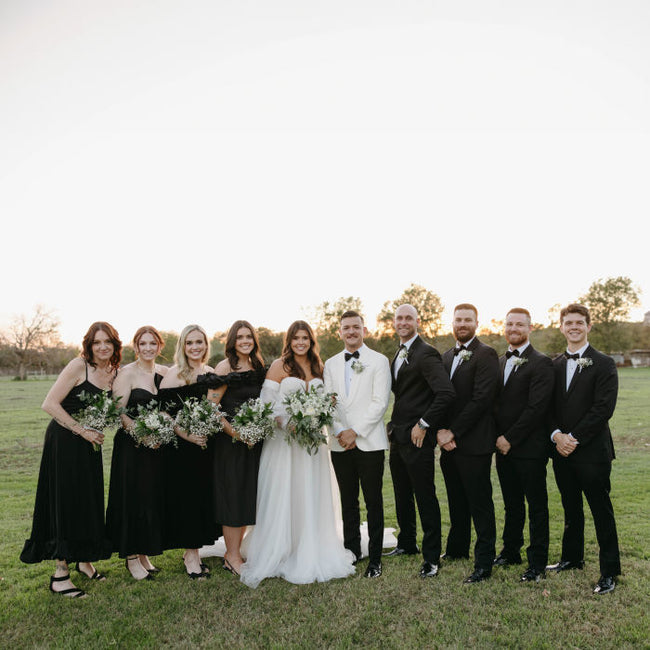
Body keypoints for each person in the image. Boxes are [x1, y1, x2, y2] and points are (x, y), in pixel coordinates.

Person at [239, 320, 356, 588]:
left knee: (309, 493)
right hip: (284, 443)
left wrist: (337, 427)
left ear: (311, 341)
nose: (300, 343)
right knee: (284, 491)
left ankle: (310, 544)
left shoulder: (319, 367)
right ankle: (281, 547)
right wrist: (284, 421)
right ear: (289, 341)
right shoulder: (279, 366)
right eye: (296, 338)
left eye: (305, 338)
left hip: (312, 445)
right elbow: (267, 403)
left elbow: (328, 404)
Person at [20, 322, 121, 598]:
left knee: (88, 500)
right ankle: (60, 574)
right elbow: (49, 403)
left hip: (90, 445)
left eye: (108, 342)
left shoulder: (113, 372)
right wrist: (81, 430)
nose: (102, 347)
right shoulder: (78, 366)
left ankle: (84, 560)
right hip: (65, 441)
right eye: (97, 342)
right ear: (89, 345)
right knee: (66, 501)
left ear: (115, 345)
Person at [546, 304, 621, 595]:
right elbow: (547, 407)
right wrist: (556, 436)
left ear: (589, 326)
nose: (574, 327)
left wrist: (573, 438)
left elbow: (604, 408)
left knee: (601, 510)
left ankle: (609, 572)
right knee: (571, 508)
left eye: (579, 322)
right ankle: (571, 558)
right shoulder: (553, 365)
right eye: (568, 322)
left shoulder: (604, 363)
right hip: (560, 451)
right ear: (561, 327)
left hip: (591, 452)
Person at [384, 304, 455, 579]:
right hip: (397, 435)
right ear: (394, 322)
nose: (403, 322)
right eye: (399, 318)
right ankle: (406, 543)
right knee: (402, 493)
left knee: (425, 496)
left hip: (417, 437)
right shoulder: (399, 352)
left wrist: (424, 424)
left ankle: (431, 557)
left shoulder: (426, 353)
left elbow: (446, 393)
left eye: (408, 318)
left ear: (417, 321)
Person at [323, 310, 392, 579]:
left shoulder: (379, 360)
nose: (351, 332)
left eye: (356, 327)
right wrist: (341, 431)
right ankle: (352, 550)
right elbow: (327, 402)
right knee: (348, 500)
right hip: (340, 443)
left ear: (365, 330)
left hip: (370, 442)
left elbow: (380, 402)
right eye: (346, 328)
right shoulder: (330, 364)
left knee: (373, 501)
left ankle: (375, 558)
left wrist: (356, 432)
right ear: (339, 332)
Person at [438, 303, 500, 584]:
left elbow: (481, 400)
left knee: (480, 502)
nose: (462, 324)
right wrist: (441, 431)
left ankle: (484, 562)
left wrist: (453, 432)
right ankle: (457, 549)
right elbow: (439, 397)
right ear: (452, 322)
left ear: (476, 322)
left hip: (474, 442)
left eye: (467, 320)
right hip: (447, 442)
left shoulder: (486, 354)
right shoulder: (446, 355)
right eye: (458, 319)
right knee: (456, 499)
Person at [201, 320, 267, 576]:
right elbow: (211, 407)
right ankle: (231, 555)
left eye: (248, 336)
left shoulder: (259, 365)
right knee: (233, 497)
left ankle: (237, 551)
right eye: (240, 337)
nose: (245, 341)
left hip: (255, 441)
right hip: (231, 443)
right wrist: (236, 433)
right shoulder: (225, 366)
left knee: (247, 497)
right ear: (232, 341)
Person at [493, 309, 554, 583]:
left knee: (537, 505)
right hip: (502, 447)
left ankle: (537, 562)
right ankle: (511, 551)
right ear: (504, 328)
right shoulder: (498, 360)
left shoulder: (541, 363)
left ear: (530, 328)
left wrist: (510, 438)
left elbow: (536, 408)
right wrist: (497, 438)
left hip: (529, 448)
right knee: (511, 503)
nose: (514, 328)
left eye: (519, 324)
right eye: (509, 324)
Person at [105, 326, 168, 580]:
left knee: (148, 499)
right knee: (131, 499)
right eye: (143, 344)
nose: (148, 348)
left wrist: (160, 430)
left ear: (160, 346)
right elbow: (119, 413)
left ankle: (144, 554)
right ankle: (131, 557)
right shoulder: (126, 373)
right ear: (136, 347)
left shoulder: (164, 373)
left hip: (156, 447)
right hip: (132, 446)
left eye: (153, 343)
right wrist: (142, 434)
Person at [158, 324, 217, 580]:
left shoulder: (211, 373)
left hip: (206, 445)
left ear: (206, 345)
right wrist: (187, 434)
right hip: (183, 448)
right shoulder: (175, 374)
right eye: (190, 343)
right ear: (183, 346)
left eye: (199, 342)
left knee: (204, 498)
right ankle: (191, 555)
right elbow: (163, 412)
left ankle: (195, 549)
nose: (195, 347)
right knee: (188, 499)